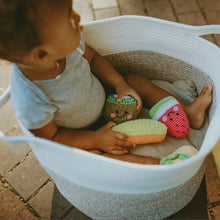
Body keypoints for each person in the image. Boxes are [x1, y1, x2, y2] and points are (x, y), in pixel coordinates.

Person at [0, 0, 213, 164]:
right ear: (42, 54)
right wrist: (94, 139)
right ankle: (159, 165)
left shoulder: (69, 46)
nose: (77, 18)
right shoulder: (30, 99)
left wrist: (120, 84)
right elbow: (53, 137)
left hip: (110, 101)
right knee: (96, 158)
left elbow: (92, 58)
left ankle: (187, 112)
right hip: (83, 134)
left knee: (135, 80)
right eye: (68, 18)